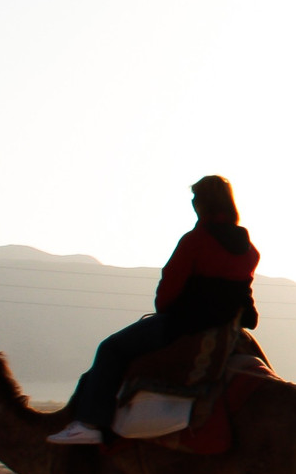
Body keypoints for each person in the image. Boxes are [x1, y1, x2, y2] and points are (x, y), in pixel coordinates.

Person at [48, 176, 261, 445]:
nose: (194, 204)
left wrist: (167, 309)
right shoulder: (250, 250)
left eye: (196, 199)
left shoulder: (195, 241)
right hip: (228, 329)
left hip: (184, 325)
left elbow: (169, 289)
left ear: (204, 204)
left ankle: (90, 424)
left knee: (111, 349)